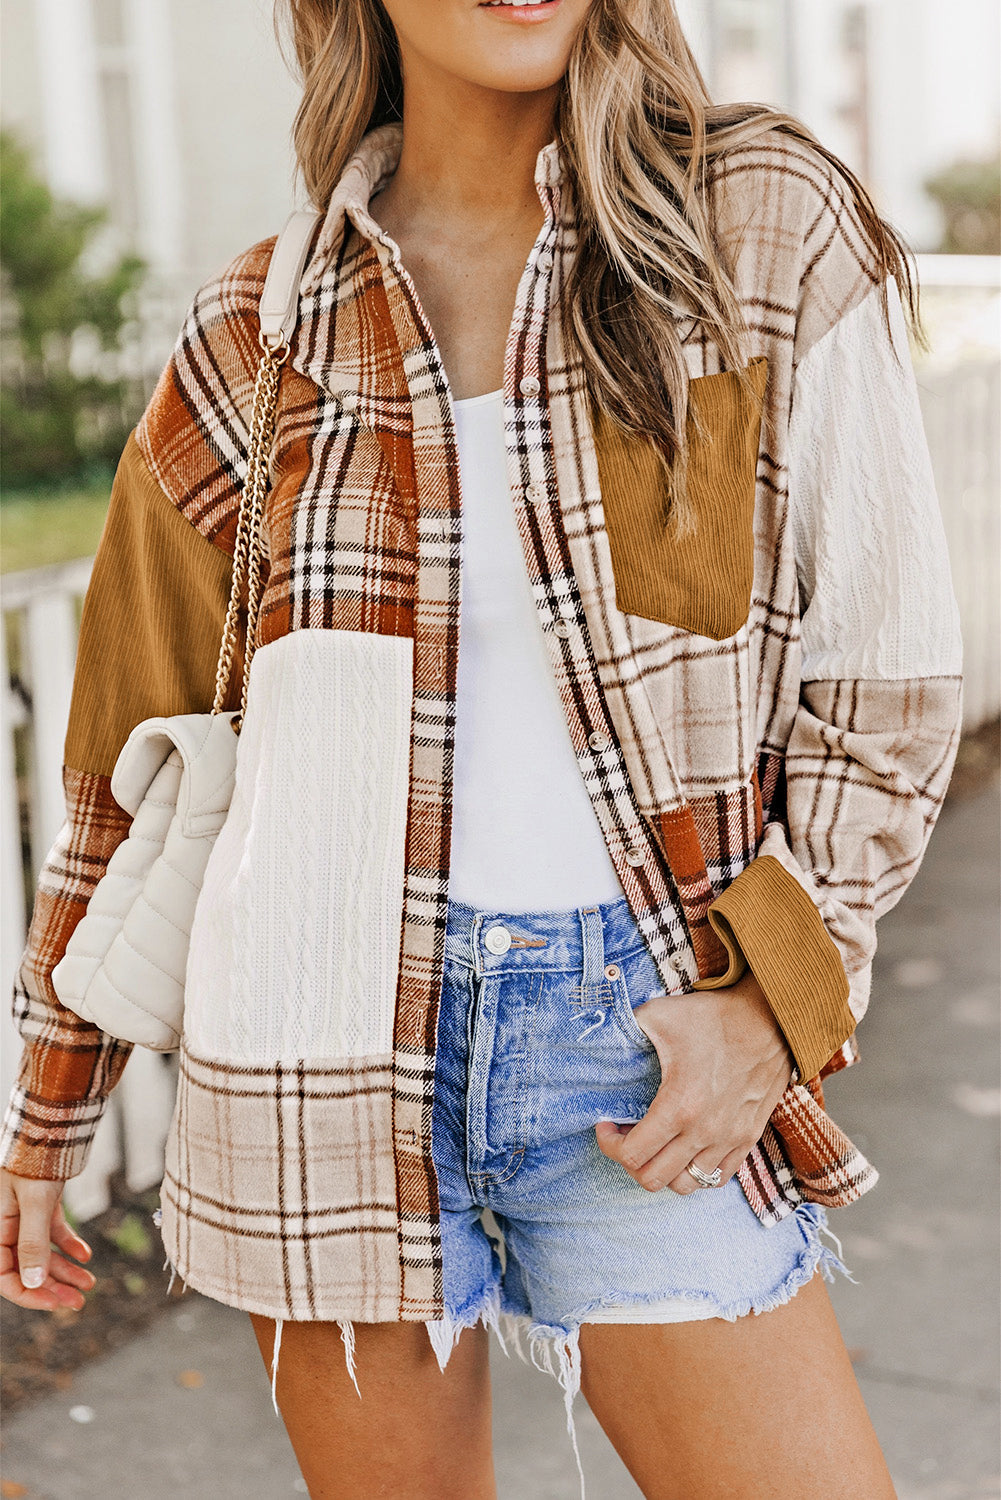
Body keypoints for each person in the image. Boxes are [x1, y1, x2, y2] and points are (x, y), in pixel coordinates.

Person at [0, 2, 964, 1496]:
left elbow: (881, 682)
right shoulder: (250, 337)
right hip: (314, 1046)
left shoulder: (756, 230)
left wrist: (766, 1006)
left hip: (638, 1034)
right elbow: (120, 752)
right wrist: (51, 1111)